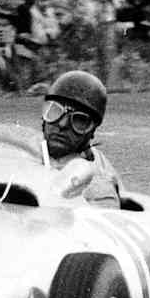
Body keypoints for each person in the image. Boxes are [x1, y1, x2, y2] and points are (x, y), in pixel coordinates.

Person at [40, 70, 122, 208]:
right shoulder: (25, 150)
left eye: (79, 120)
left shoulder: (98, 188)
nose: (62, 124)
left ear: (92, 131)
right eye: (54, 111)